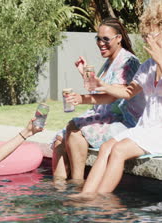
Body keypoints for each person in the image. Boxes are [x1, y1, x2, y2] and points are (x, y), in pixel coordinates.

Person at [66, 0, 162, 196]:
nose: (146, 40)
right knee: (106, 148)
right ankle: (85, 195)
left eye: (149, 35)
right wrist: (100, 84)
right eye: (144, 36)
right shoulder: (148, 66)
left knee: (119, 151)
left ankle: (100, 200)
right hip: (146, 127)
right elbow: (128, 92)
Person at [52, 17, 145, 182]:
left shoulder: (128, 62)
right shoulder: (111, 61)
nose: (101, 43)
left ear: (118, 39)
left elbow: (111, 96)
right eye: (98, 38)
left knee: (75, 129)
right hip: (106, 116)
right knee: (60, 140)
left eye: (105, 39)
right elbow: (100, 86)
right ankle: (59, 188)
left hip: (125, 121)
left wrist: (81, 99)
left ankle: (77, 182)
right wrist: (84, 73)